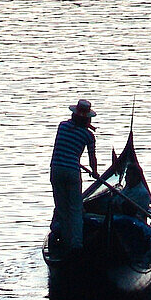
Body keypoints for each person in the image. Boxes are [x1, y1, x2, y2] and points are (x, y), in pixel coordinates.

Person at [49, 99, 98, 252]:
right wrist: (95, 172)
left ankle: (65, 242)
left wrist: (83, 125)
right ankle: (76, 245)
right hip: (72, 171)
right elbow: (92, 159)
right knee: (76, 209)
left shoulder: (62, 126)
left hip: (56, 169)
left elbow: (73, 128)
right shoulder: (88, 136)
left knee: (62, 209)